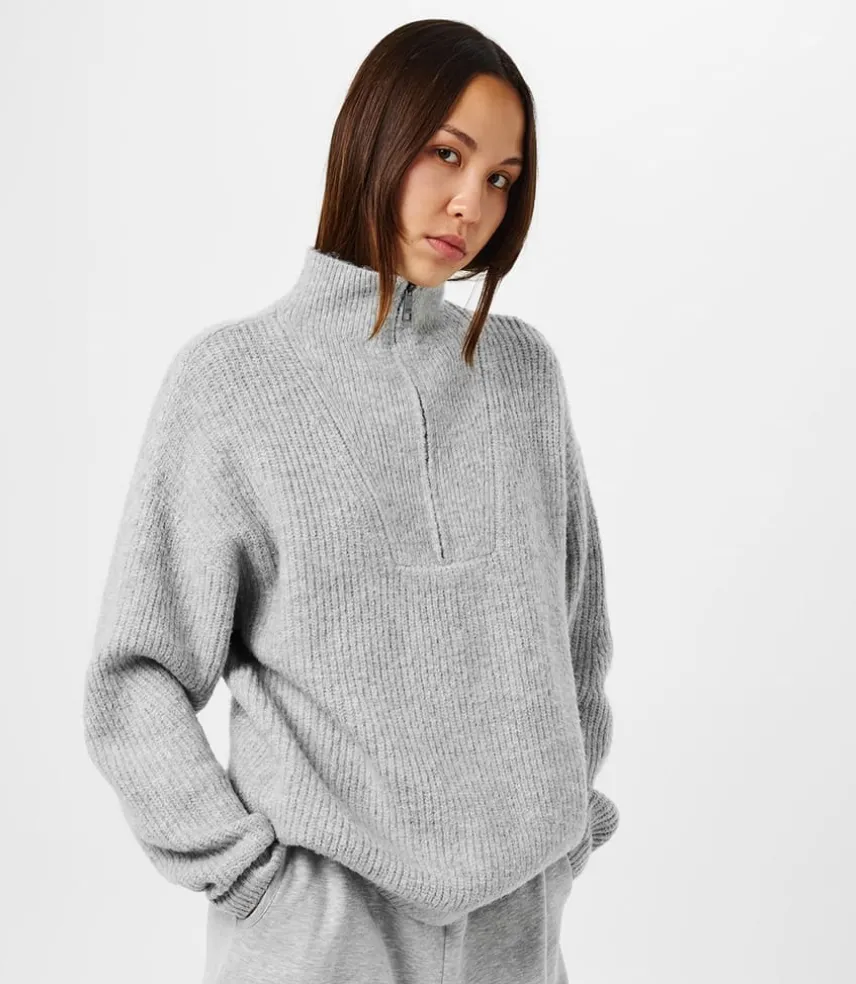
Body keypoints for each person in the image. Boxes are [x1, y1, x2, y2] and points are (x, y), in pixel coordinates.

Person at [82, 18, 619, 984]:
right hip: (318, 932)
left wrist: (562, 830)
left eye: (501, 177)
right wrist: (248, 876)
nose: (471, 204)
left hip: (515, 932)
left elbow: (575, 636)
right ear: (374, 137)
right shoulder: (231, 382)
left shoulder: (523, 375)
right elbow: (138, 675)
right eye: (446, 154)